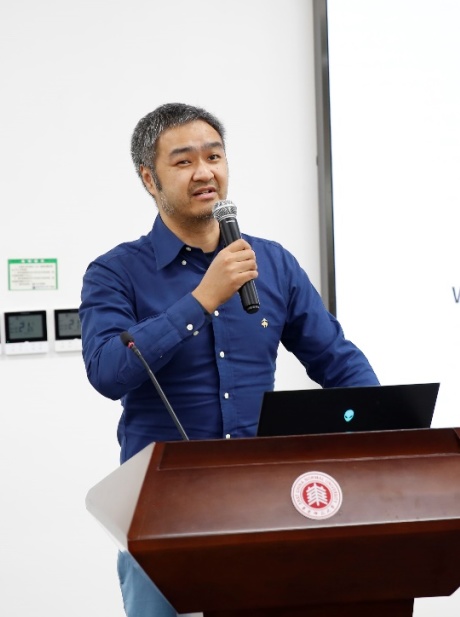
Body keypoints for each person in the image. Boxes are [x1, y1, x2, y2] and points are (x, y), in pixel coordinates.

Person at [79, 102, 379, 617]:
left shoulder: (273, 263)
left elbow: (337, 361)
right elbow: (107, 371)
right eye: (183, 161)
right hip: (160, 511)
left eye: (214, 156)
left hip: (263, 505)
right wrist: (201, 300)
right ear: (149, 179)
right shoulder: (115, 272)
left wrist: (391, 432)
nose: (204, 172)